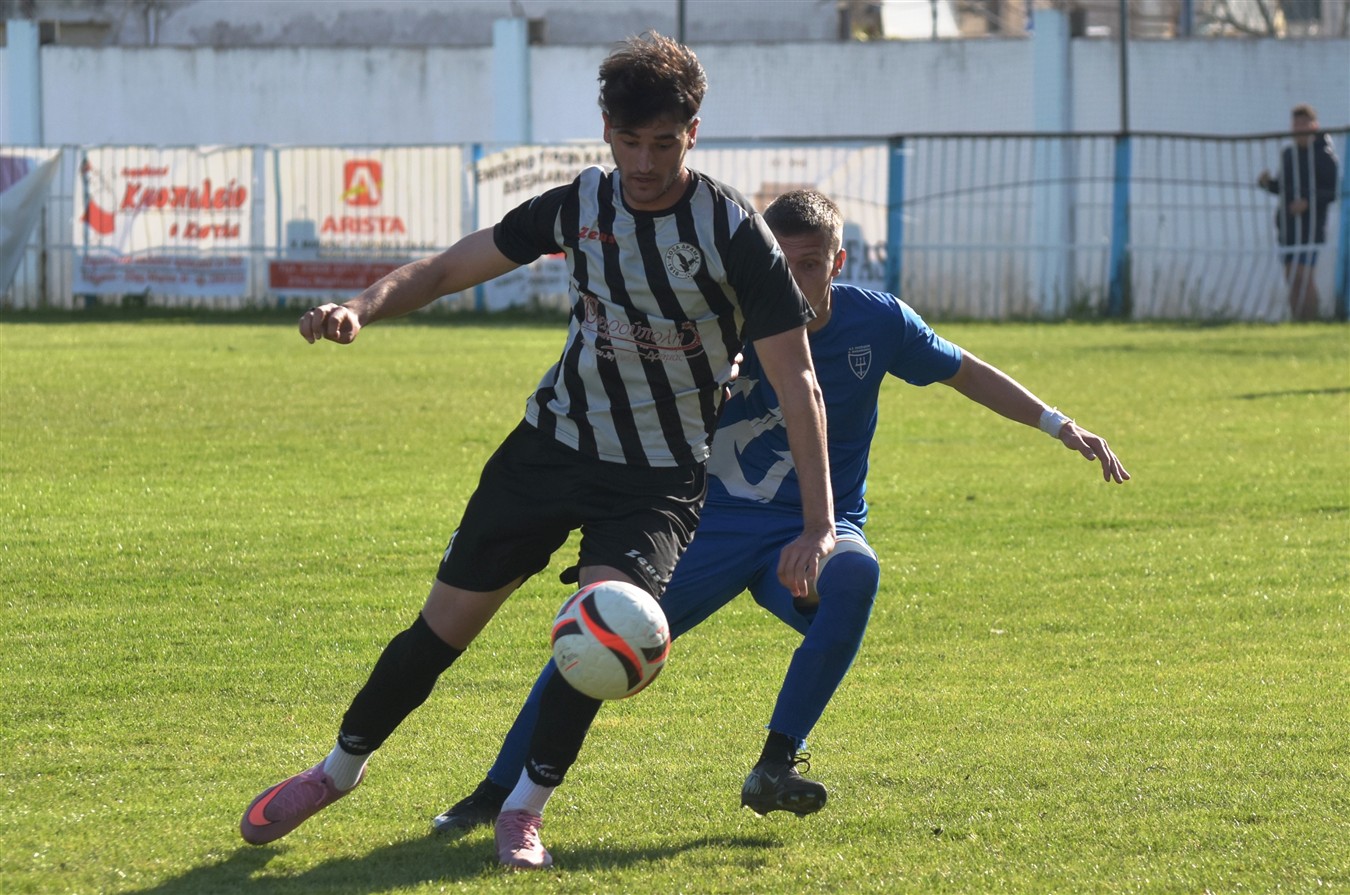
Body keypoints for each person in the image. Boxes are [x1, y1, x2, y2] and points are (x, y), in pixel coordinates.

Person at [238, 32, 838, 869]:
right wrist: (361, 308)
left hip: (657, 478)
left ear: (693, 134)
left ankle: (523, 809)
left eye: (664, 143)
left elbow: (798, 379)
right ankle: (335, 770)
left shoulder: (732, 230)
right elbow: (449, 267)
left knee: (605, 630)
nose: (645, 162)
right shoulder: (579, 205)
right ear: (606, 129)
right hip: (550, 448)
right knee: (439, 633)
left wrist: (819, 524)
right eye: (629, 141)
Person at [429, 189, 1131, 864]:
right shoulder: (716, 322)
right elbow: (626, 405)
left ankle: (775, 762)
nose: (793, 280)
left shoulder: (878, 323)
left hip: (812, 532)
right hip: (703, 527)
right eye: (780, 263)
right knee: (601, 632)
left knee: (856, 574)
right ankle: (495, 794)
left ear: (838, 261)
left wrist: (1058, 423)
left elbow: (964, 371)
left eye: (810, 264)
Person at [1258, 103, 1340, 321]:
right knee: (1291, 277)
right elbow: (1284, 188)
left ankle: (1313, 319)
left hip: (1310, 226)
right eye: (1296, 124)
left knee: (1304, 276)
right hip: (1288, 226)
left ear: (1314, 125)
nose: (1299, 128)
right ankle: (1298, 321)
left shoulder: (1324, 155)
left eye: (1304, 123)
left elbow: (1332, 191)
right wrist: (1267, 184)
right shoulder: (1289, 154)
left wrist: (1308, 203)